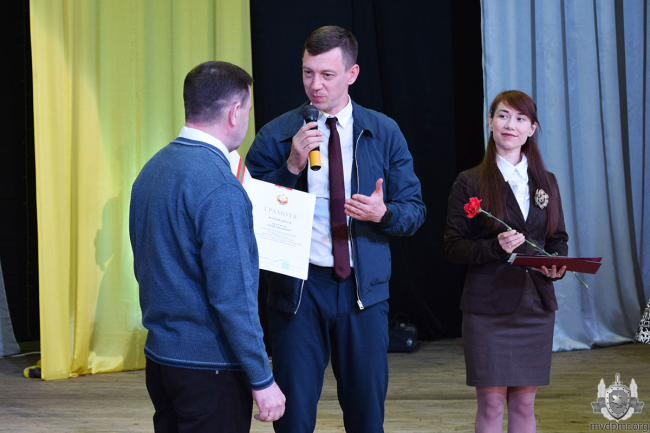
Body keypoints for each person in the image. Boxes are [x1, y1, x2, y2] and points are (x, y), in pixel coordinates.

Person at [245, 26, 426, 432]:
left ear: (352, 74)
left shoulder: (383, 131)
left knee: (366, 416)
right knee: (293, 418)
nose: (315, 85)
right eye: (308, 73)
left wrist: (383, 214)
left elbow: (415, 211)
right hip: (298, 290)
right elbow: (247, 212)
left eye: (327, 75)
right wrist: (290, 167)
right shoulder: (277, 134)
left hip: (363, 292)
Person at [129, 61, 285, 433]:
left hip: (161, 361)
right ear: (234, 112)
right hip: (210, 369)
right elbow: (234, 297)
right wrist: (262, 379)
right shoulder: (221, 187)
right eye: (248, 109)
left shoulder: (151, 170)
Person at [444, 90, 569, 433]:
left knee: (525, 404)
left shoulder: (547, 182)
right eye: (502, 115)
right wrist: (495, 248)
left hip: (535, 307)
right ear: (490, 122)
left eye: (520, 118)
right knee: (491, 404)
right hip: (487, 308)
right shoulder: (470, 181)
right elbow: (453, 247)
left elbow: (557, 238)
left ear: (532, 128)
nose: (510, 124)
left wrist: (557, 263)